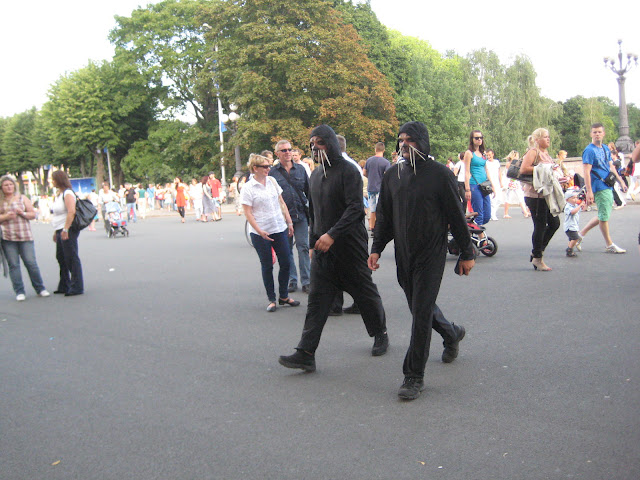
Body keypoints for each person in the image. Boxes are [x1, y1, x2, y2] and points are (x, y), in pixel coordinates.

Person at [368, 121, 475, 401]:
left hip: (431, 254)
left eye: (410, 139)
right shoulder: (393, 175)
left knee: (421, 312)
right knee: (419, 308)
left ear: (423, 142)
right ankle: (451, 333)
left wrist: (467, 252)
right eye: (401, 140)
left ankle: (414, 375)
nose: (404, 144)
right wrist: (376, 248)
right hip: (404, 255)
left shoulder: (440, 174)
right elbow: (385, 216)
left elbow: (456, 216)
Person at [278, 125, 389, 373]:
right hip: (323, 249)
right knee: (317, 300)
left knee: (364, 294)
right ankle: (306, 353)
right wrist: (313, 241)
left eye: (319, 142)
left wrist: (332, 234)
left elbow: (355, 209)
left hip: (350, 246)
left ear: (330, 143)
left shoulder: (348, 171)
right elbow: (313, 212)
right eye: (311, 143)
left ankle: (380, 334)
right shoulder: (316, 175)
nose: (314, 147)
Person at [241, 154, 298, 312]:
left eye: (269, 166)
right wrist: (259, 230)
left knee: (286, 262)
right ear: (255, 168)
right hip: (260, 231)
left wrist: (289, 222)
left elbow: (281, 202)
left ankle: (284, 296)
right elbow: (248, 213)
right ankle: (271, 299)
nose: (268, 169)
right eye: (265, 167)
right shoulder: (248, 188)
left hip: (278, 227)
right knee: (267, 265)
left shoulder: (272, 181)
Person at [519, 128, 567, 271]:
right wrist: (543, 169)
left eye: (548, 137)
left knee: (554, 223)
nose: (548, 139)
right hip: (535, 195)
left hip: (546, 194)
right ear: (537, 139)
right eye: (545, 137)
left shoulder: (546, 153)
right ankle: (537, 258)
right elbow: (523, 169)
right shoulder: (533, 152)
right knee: (540, 226)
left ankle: (537, 251)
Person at [577, 123, 627, 254]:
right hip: (599, 185)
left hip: (608, 184)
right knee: (604, 216)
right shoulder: (589, 150)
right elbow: (586, 171)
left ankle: (580, 235)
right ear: (591, 134)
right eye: (594, 132)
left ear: (603, 133)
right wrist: (589, 191)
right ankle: (609, 244)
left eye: (599, 132)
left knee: (604, 214)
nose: (597, 134)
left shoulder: (605, 148)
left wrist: (621, 181)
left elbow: (611, 167)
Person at [270, 139, 311, 294]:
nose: (288, 152)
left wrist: (313, 212)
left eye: (289, 149)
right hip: (282, 218)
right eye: (284, 150)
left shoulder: (300, 169)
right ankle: (292, 280)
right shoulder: (272, 173)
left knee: (303, 247)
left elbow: (309, 191)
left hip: (300, 214)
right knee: (286, 251)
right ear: (277, 154)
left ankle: (307, 281)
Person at [0, 175, 50, 301]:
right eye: (6, 185)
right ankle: (19, 291)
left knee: (31, 263)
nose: (9, 187)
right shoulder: (1, 201)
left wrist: (22, 213)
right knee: (14, 265)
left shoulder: (22, 198)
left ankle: (40, 288)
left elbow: (33, 214)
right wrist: (6, 216)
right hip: (7, 237)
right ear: (1, 187)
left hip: (25, 235)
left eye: (11, 184)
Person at [50, 170, 83, 296]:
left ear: (59, 180)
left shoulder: (68, 193)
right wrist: (56, 231)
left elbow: (71, 211)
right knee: (61, 257)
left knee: (71, 257)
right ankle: (64, 284)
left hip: (68, 229)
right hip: (60, 228)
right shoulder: (59, 194)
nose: (52, 182)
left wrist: (65, 229)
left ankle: (77, 286)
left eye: (53, 179)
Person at [463, 130, 493, 229]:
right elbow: (466, 172)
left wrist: (492, 185)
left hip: (484, 185)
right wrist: (467, 189)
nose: (479, 139)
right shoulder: (469, 153)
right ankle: (479, 236)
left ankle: (471, 228)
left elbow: (486, 170)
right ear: (472, 139)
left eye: (481, 137)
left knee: (487, 215)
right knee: (479, 215)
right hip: (474, 185)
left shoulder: (483, 153)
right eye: (476, 138)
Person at [363, 142, 391, 232]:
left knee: (372, 209)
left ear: (375, 149)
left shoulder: (369, 160)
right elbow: (387, 175)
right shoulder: (386, 162)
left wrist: (370, 177)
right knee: (380, 209)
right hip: (380, 188)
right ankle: (379, 227)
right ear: (383, 150)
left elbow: (364, 172)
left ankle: (371, 226)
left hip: (371, 188)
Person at [502, 151, 530, 218]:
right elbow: (512, 172)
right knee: (509, 197)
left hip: (515, 182)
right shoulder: (509, 164)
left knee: (520, 196)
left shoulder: (515, 163)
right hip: (511, 182)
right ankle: (506, 213)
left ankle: (525, 212)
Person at [563, 189, 583, 257]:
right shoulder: (568, 207)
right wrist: (579, 206)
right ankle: (569, 249)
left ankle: (570, 249)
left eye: (576, 198)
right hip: (570, 227)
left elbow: (581, 209)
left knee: (571, 239)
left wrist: (584, 204)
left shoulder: (575, 206)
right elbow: (572, 212)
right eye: (573, 198)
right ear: (567, 200)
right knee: (575, 238)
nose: (575, 199)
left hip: (574, 226)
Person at [485, 149, 502, 221]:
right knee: (492, 199)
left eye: (489, 155)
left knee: (499, 199)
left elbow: (499, 172)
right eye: (487, 155)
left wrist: (501, 182)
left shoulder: (496, 162)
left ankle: (492, 212)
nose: (488, 156)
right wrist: (491, 183)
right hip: (489, 182)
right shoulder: (486, 163)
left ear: (493, 154)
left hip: (497, 182)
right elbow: (487, 173)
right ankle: (492, 214)